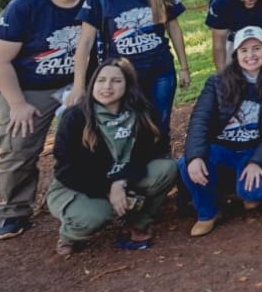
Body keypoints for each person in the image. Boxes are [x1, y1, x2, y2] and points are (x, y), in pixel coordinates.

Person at [0, 0, 91, 241]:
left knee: (94, 136)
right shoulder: (25, 5)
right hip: (31, 86)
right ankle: (14, 211)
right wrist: (18, 104)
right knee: (19, 144)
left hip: (80, 82)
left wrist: (86, 88)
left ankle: (89, 195)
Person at [46, 58, 178, 256]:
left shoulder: (141, 112)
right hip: (78, 185)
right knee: (96, 215)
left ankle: (138, 221)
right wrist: (108, 190)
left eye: (116, 81)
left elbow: (148, 153)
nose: (107, 87)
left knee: (167, 168)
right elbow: (66, 169)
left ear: (128, 85)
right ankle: (69, 235)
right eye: (101, 80)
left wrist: (120, 182)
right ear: (92, 84)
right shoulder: (75, 117)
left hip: (123, 177)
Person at [183, 26, 262, 237]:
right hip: (224, 147)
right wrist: (195, 156)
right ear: (235, 55)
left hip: (257, 148)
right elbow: (200, 121)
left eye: (256, 48)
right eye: (244, 50)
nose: (250, 55)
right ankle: (208, 213)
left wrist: (257, 161)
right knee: (188, 164)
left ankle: (245, 190)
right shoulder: (217, 83)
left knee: (253, 192)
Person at [74, 0, 190, 143]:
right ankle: (129, 169)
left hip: (160, 69)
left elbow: (174, 30)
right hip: (122, 75)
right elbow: (85, 43)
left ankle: (163, 168)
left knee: (160, 125)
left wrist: (184, 67)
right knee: (127, 127)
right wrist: (78, 84)